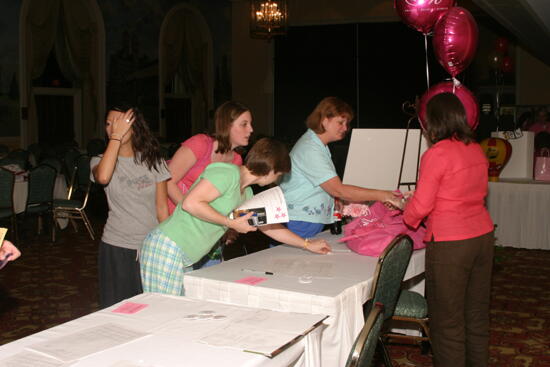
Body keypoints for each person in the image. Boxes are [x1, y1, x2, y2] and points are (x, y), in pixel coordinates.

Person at [140, 138, 331, 295]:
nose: (278, 179)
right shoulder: (227, 172)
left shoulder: (246, 193)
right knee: (164, 312)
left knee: (176, 312)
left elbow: (270, 227)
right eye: (279, 174)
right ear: (272, 169)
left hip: (183, 254)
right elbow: (191, 203)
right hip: (168, 245)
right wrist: (229, 223)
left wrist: (306, 244)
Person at [402, 93, 495, 367]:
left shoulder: (436, 154)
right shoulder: (475, 148)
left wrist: (405, 210)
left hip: (451, 243)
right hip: (482, 236)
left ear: (433, 122)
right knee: (476, 315)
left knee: (447, 323)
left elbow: (420, 207)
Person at [279, 97, 400, 239]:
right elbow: (338, 189)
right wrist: (383, 195)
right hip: (298, 222)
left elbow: (327, 187)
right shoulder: (310, 149)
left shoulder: (317, 145)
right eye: (340, 122)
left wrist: (334, 198)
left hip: (303, 220)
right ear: (324, 120)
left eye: (347, 123)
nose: (345, 128)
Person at [91, 105, 171, 308]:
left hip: (151, 247)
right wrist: (116, 138)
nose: (112, 128)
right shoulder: (99, 161)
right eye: (109, 124)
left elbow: (162, 209)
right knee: (120, 310)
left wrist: (172, 244)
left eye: (119, 123)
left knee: (152, 307)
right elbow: (102, 177)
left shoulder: (154, 161)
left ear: (135, 128)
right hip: (118, 246)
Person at [166, 101, 253, 267]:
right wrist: (192, 211)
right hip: (178, 225)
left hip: (204, 229)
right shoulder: (200, 144)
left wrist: (229, 227)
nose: (251, 129)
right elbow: (168, 180)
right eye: (244, 124)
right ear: (226, 125)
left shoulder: (236, 161)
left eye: (250, 124)